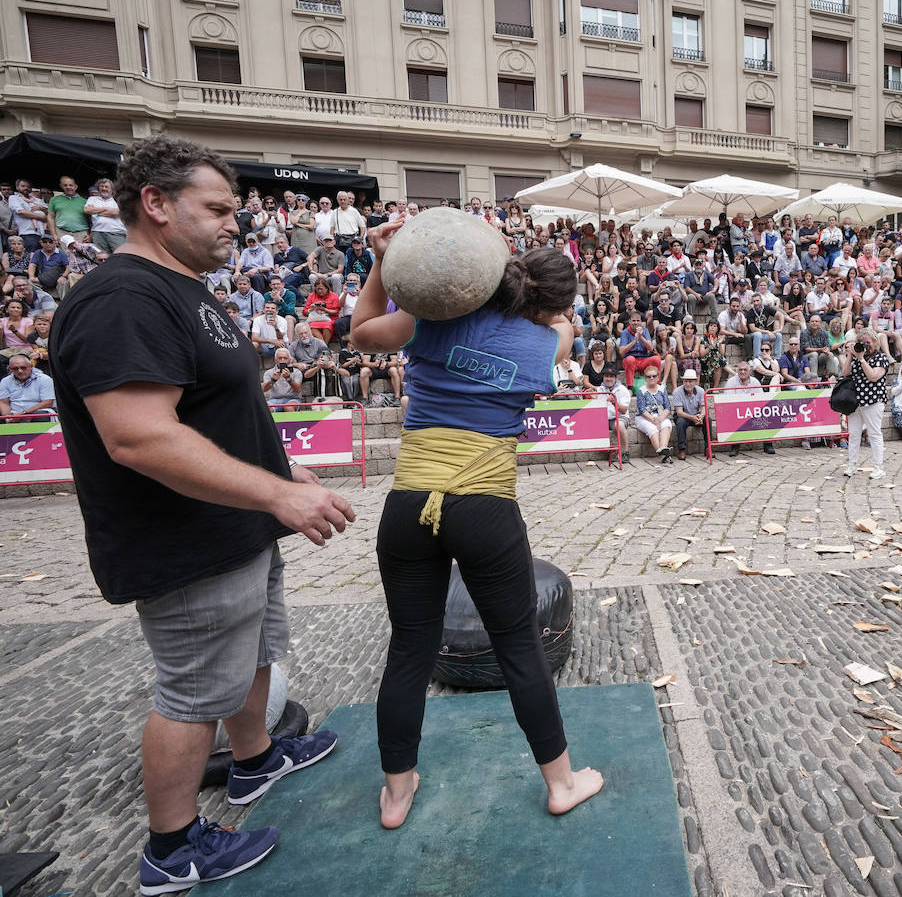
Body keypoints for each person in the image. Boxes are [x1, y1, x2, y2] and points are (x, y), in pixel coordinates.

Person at [49, 136, 353, 894]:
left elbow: (210, 411)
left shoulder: (183, 286)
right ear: (155, 203)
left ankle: (254, 762)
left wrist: (279, 474)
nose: (234, 224)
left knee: (252, 653)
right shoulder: (124, 296)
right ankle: (171, 846)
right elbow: (139, 435)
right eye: (217, 208)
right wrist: (279, 494)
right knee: (191, 691)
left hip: (237, 524)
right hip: (185, 540)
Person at [349, 234, 603, 831]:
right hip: (484, 507)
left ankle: (395, 791)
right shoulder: (548, 342)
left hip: (407, 504)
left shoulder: (431, 320)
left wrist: (384, 263)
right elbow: (564, 331)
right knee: (519, 645)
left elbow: (360, 330)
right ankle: (561, 783)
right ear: (555, 306)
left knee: (410, 645)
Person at [841, 328, 889, 479]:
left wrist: (861, 359)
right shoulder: (856, 356)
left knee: (874, 434)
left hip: (874, 400)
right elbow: (845, 373)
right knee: (853, 434)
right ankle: (852, 465)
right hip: (856, 401)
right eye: (862, 343)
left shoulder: (881, 357)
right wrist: (850, 354)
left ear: (875, 342)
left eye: (868, 343)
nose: (866, 346)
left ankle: (878, 467)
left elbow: (873, 376)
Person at [635, 364, 675, 462]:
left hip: (660, 415)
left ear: (658, 377)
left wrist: (660, 419)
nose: (651, 378)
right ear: (645, 378)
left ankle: (663, 452)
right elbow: (642, 409)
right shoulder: (642, 391)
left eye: (654, 376)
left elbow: (667, 407)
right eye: (649, 376)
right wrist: (654, 421)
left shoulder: (662, 389)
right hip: (644, 417)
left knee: (666, 424)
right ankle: (664, 454)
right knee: (652, 429)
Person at [0, 352, 55, 419]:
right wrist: (7, 416)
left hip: (38, 413)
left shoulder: (44, 379)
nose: (20, 371)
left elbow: (48, 403)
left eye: (23, 368)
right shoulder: (5, 381)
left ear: (31, 367)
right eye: (15, 368)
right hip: (14, 414)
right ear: (10, 369)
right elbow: (4, 402)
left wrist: (23, 414)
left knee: (41, 415)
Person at [671, 368, 707, 459]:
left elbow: (704, 408)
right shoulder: (677, 392)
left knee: (707, 420)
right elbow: (679, 412)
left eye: (690, 381)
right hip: (683, 415)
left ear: (695, 382)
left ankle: (708, 447)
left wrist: (701, 416)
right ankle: (682, 449)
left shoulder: (700, 391)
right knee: (680, 422)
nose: (687, 384)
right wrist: (693, 418)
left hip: (695, 414)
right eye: (685, 381)